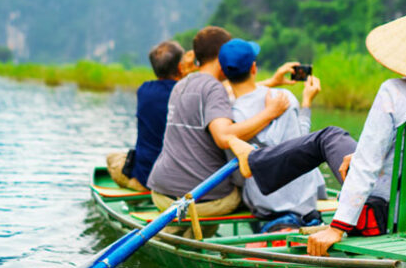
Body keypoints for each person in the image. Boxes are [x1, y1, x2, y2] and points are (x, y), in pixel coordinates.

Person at [226, 6, 406, 256]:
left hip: (382, 215)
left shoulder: (394, 91)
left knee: (329, 136)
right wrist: (360, 156)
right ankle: (255, 161)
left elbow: (368, 165)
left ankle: (253, 161)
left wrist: (338, 227)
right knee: (347, 148)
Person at [145, 27, 292, 229]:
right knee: (255, 190)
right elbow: (223, 136)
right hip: (199, 200)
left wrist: (271, 82)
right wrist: (270, 113)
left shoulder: (182, 84)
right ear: (222, 55)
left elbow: (224, 94)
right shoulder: (214, 88)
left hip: (161, 193)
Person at [220, 38, 327, 232]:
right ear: (254, 68)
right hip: (305, 202)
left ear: (223, 72)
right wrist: (306, 103)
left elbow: (238, 175)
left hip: (265, 204)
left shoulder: (226, 115)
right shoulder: (284, 98)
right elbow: (303, 145)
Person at [106, 41, 185, 192]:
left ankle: (136, 186)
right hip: (178, 178)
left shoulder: (144, 90)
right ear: (180, 67)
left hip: (145, 177)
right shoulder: (186, 93)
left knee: (112, 157)